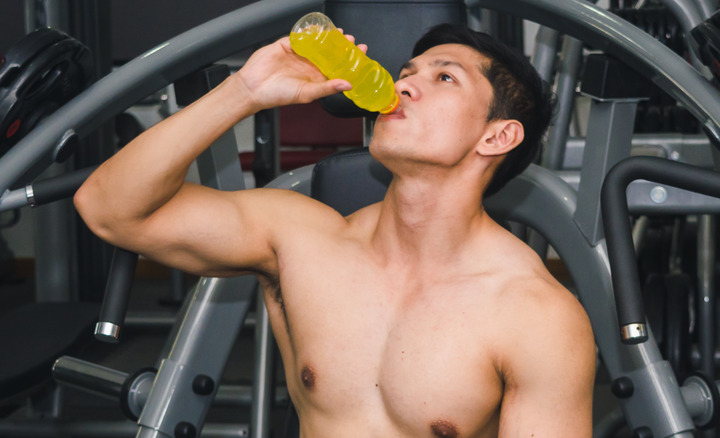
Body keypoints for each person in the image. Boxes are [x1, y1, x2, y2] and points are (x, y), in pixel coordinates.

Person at [75, 23, 596, 437]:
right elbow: (108, 208)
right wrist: (245, 92)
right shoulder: (301, 238)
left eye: (444, 78)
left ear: (497, 135)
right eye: (407, 72)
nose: (403, 83)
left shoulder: (538, 317)